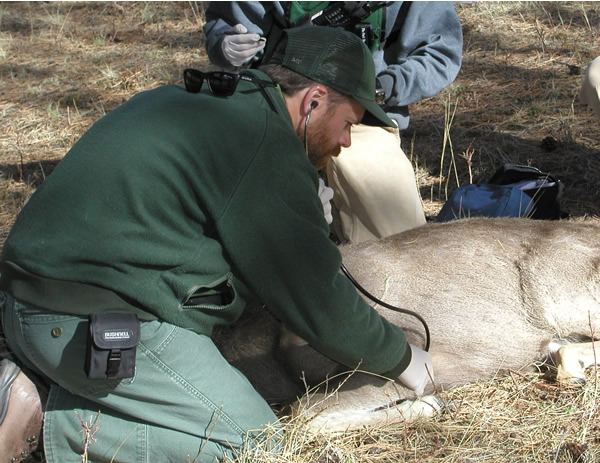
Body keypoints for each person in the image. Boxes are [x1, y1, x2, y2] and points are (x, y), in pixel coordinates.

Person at [0, 26, 433, 462]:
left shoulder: (196, 99)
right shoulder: (265, 145)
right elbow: (318, 301)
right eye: (348, 124)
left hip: (24, 304)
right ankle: (45, 419)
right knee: (254, 447)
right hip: (84, 325)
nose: (345, 142)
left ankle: (31, 380)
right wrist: (403, 359)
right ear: (314, 100)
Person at [203, 1, 464, 243]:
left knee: (394, 229)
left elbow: (440, 52)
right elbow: (228, 23)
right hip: (277, 100)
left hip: (361, 116)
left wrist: (379, 88)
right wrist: (225, 44)